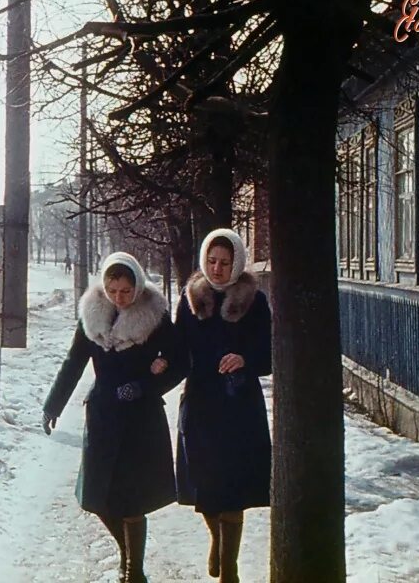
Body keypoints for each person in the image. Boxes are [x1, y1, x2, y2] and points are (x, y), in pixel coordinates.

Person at [42, 252, 179, 583]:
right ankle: (126, 554)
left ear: (137, 287)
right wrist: (53, 405)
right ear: (104, 287)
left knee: (132, 499)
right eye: (113, 290)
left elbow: (180, 361)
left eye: (126, 291)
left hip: (140, 420)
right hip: (103, 415)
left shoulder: (155, 317)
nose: (119, 298)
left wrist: (146, 384)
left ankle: (134, 571)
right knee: (97, 496)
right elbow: (74, 362)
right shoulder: (92, 317)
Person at [171, 229, 272, 583]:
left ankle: (230, 569)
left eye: (225, 262)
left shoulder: (254, 301)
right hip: (200, 404)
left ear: (237, 263)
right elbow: (176, 350)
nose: (217, 269)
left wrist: (244, 358)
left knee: (233, 490)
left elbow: (270, 353)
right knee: (205, 485)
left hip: (238, 405)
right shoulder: (190, 299)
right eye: (211, 261)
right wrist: (154, 373)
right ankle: (216, 538)